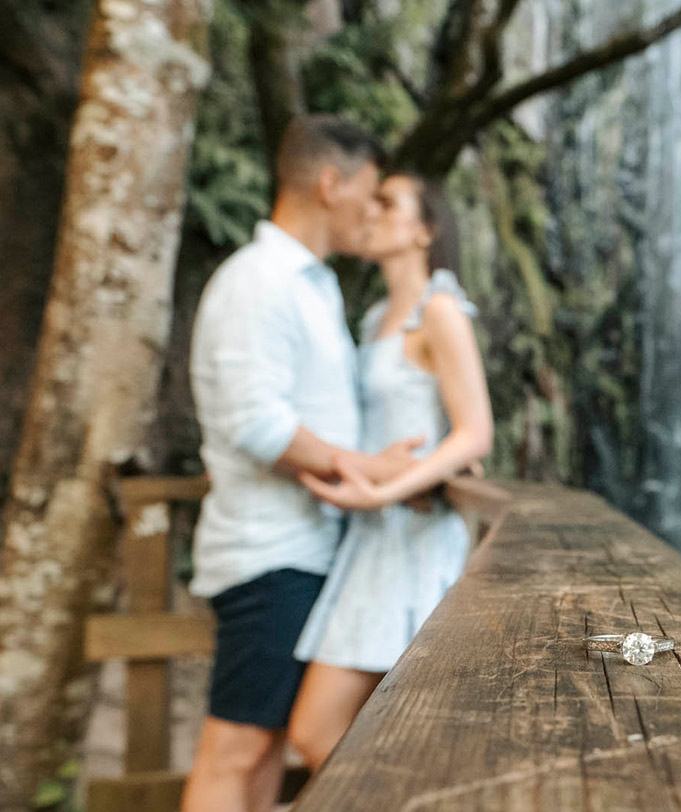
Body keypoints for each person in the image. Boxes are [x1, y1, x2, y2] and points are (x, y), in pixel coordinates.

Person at [182, 116, 423, 812]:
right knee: (236, 748)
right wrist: (371, 470)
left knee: (263, 748)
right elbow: (258, 425)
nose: (373, 212)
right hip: (268, 552)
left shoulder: (311, 287)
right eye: (370, 194)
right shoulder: (259, 281)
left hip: (307, 550)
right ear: (329, 184)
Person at [286, 171, 494, 769]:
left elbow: (474, 431)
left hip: (416, 534)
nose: (371, 212)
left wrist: (389, 490)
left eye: (389, 203)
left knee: (346, 733)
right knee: (347, 736)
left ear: (425, 229)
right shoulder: (377, 314)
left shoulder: (440, 309)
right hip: (373, 536)